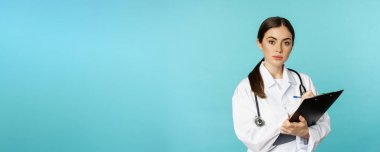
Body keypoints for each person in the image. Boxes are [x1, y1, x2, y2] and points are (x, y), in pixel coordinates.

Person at [232, 17, 331, 152]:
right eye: (271, 42)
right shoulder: (245, 88)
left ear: (292, 46)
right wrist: (288, 124)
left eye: (286, 43)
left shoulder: (304, 81)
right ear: (260, 43)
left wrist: (305, 132)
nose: (278, 49)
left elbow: (324, 125)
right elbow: (250, 139)